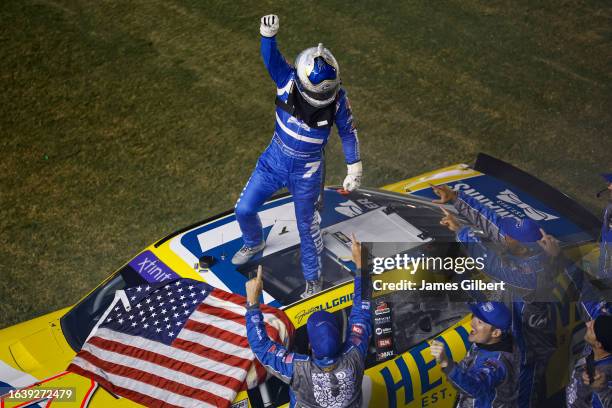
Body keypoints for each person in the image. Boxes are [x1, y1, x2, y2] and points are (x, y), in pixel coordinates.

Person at [233, 14, 362, 298]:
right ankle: (253, 242)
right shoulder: (287, 79)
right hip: (273, 162)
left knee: (308, 228)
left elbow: (349, 132)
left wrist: (354, 168)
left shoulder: (338, 99)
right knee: (243, 210)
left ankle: (313, 280)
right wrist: (268, 36)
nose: (320, 99)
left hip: (308, 171)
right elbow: (272, 59)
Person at [433, 184, 556, 408]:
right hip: (503, 332)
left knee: (516, 398)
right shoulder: (523, 247)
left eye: (509, 236)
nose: (503, 236)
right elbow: (492, 223)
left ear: (522, 246)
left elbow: (489, 262)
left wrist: (461, 231)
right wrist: (456, 198)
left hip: (525, 352)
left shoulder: (531, 276)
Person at [245, 234, 371, 407]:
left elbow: (261, 346)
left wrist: (252, 302)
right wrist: (361, 268)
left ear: (310, 345)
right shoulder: (355, 355)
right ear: (341, 338)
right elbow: (362, 313)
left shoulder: (298, 370)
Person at [430, 301, 517, 407]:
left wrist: (446, 362)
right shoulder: (481, 345)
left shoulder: (498, 363)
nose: (472, 323)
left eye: (480, 322)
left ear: (495, 333)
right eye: (474, 316)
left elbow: (475, 387)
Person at [567, 315, 612, 407]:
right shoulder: (593, 347)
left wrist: (601, 389)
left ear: (598, 344)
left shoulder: (605, 375)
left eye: (591, 329)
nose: (587, 324)